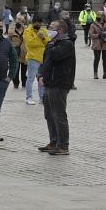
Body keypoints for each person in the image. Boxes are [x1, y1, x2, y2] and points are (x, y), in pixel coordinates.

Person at [38, 21, 75, 156]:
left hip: (59, 84)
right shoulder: (51, 43)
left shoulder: (66, 44)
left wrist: (49, 42)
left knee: (59, 115)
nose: (48, 30)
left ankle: (63, 145)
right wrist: (40, 75)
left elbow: (55, 56)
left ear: (60, 30)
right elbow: (45, 61)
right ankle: (54, 141)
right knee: (49, 115)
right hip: (49, 83)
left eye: (51, 28)